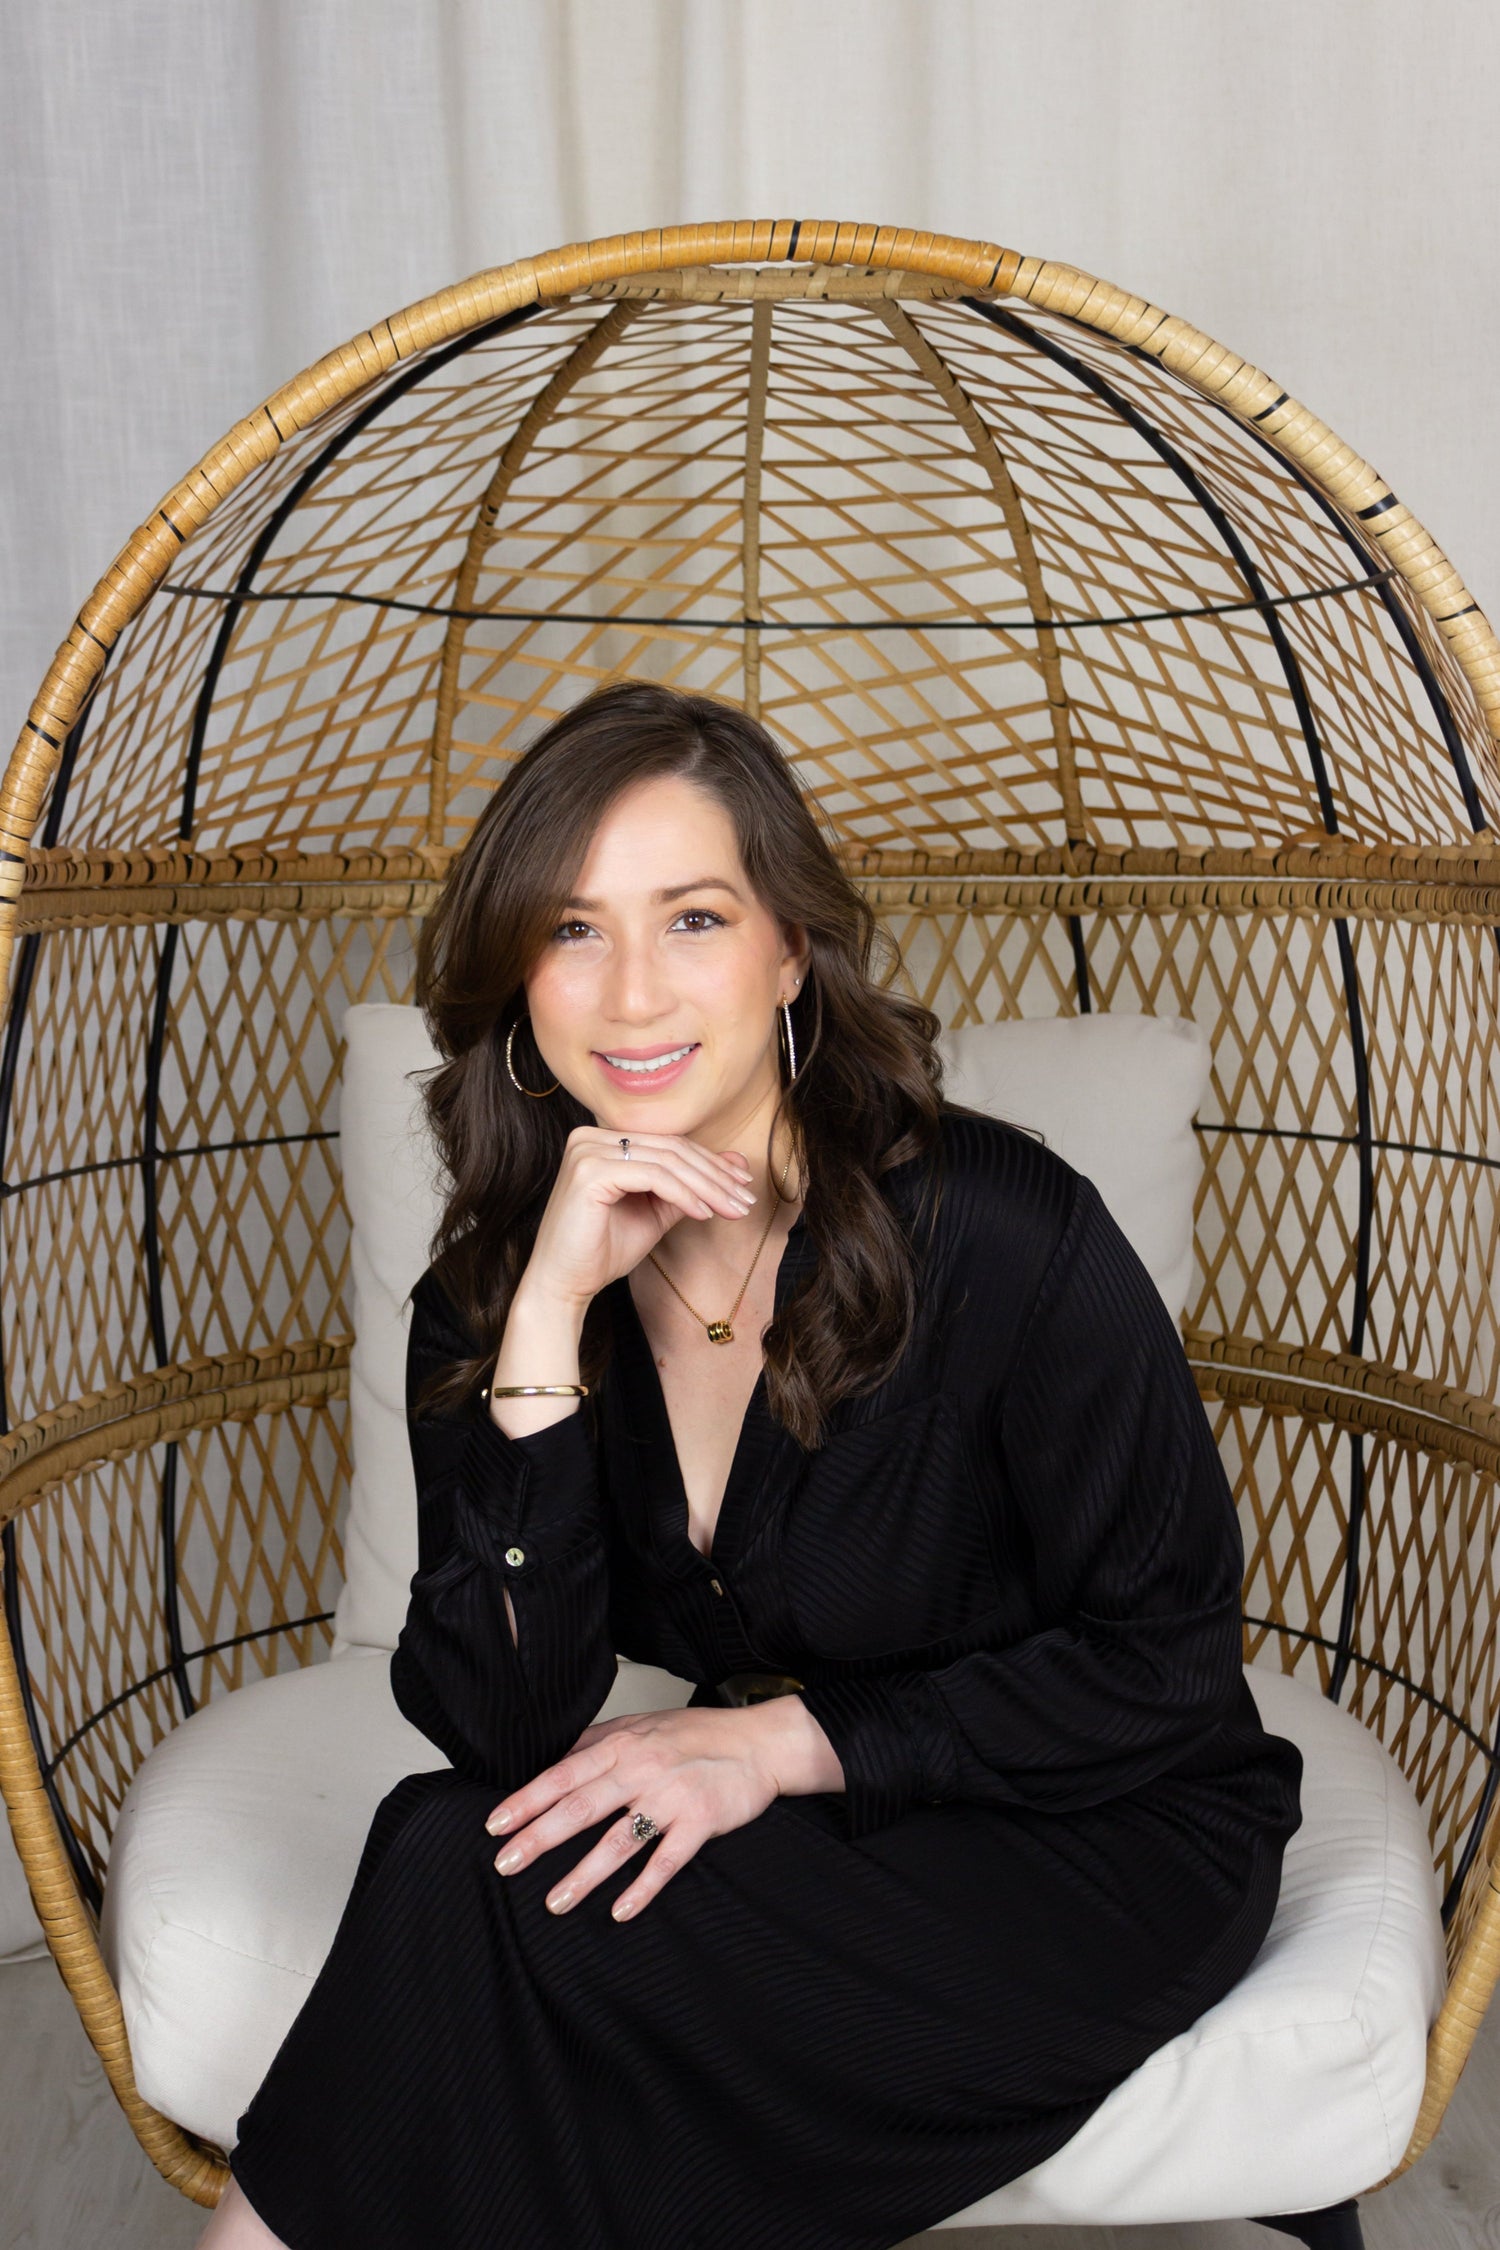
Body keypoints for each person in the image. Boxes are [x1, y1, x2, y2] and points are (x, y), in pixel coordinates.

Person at [206, 679, 1302, 2250]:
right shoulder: (505, 1293)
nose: (633, 991)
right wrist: (544, 1333)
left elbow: (1171, 1669)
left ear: (792, 947)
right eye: (574, 928)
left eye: (696, 918)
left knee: (465, 1895)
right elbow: (499, 1724)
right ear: (519, 972)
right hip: (851, 1840)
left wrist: (785, 1742)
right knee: (450, 1843)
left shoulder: (1003, 1229)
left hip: (1096, 1834)